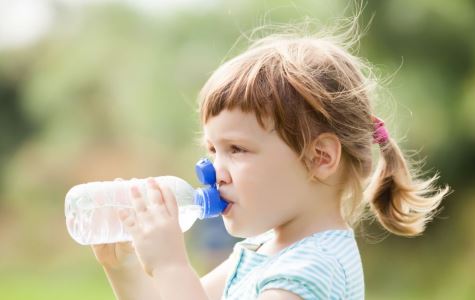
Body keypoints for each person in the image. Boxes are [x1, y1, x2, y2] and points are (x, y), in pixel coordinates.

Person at [91, 20, 450, 300]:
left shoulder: (312, 270)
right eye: (213, 150)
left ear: (319, 158)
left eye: (237, 149)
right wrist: (124, 268)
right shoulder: (259, 252)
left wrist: (171, 265)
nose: (215, 172)